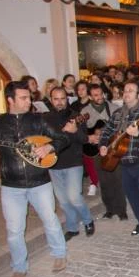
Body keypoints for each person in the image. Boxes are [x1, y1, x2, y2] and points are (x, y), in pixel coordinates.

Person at [0, 80, 69, 277]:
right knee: (14, 229)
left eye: (29, 97)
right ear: (10, 100)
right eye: (24, 98)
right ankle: (19, 267)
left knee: (50, 220)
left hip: (40, 182)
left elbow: (63, 138)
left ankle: (59, 254)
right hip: (11, 185)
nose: (29, 101)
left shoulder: (39, 120)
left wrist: (49, 147)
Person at [99, 81, 139, 244]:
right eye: (125, 90)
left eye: (130, 91)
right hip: (124, 163)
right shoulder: (119, 113)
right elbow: (107, 132)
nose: (126, 93)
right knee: (133, 198)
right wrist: (104, 145)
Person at [44, 87, 95, 241]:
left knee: (74, 197)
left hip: (73, 162)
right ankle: (72, 228)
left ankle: (88, 220)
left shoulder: (76, 117)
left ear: (67, 99)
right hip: (53, 163)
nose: (59, 102)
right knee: (64, 201)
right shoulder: (45, 118)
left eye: (62, 98)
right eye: (56, 99)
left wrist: (74, 131)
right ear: (51, 100)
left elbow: (84, 139)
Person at [81, 84, 127, 220]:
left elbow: (121, 127)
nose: (99, 97)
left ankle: (121, 209)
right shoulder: (85, 111)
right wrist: (90, 138)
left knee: (117, 179)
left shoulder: (113, 108)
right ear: (89, 97)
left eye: (101, 94)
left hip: (112, 149)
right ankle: (109, 209)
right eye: (95, 95)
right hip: (96, 151)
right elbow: (82, 132)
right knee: (104, 181)